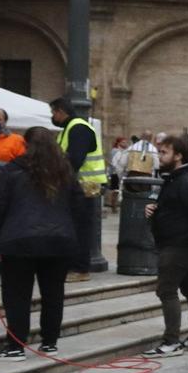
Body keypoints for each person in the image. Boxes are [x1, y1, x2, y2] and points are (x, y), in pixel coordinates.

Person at [0, 126, 78, 358]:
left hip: (19, 241)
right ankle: (50, 342)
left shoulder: (13, 171)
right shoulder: (65, 172)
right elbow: (79, 208)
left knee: (16, 295)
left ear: (25, 145)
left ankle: (15, 345)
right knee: (53, 294)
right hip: (59, 242)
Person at [142, 134, 188, 357]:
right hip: (177, 241)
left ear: (179, 155)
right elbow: (177, 208)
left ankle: (172, 341)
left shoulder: (187, 180)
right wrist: (155, 211)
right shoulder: (176, 178)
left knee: (166, 289)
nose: (160, 156)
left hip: (178, 244)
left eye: (164, 152)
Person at [49, 97, 107, 280]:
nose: (52, 117)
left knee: (80, 228)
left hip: (84, 187)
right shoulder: (69, 129)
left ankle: (81, 269)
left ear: (60, 111)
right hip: (78, 187)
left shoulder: (78, 128)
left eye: (53, 113)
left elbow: (74, 160)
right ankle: (74, 265)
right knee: (75, 227)